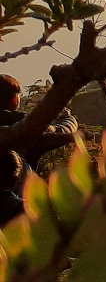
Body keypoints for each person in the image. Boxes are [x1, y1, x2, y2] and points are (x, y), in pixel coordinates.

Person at [0, 74, 79, 223]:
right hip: (14, 207)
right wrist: (69, 118)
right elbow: (56, 131)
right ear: (13, 100)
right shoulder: (20, 124)